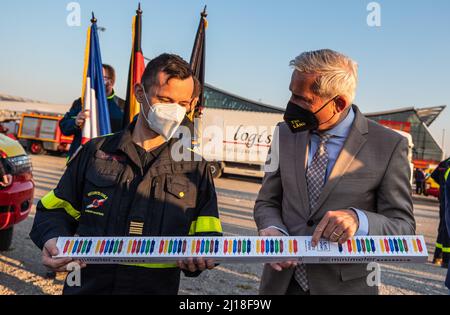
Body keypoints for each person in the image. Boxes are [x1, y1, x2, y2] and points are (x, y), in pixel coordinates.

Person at [30, 54, 222, 295]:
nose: (174, 111)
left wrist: (200, 259)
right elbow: (54, 210)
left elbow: (208, 235)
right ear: (140, 93)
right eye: (164, 99)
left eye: (183, 104)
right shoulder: (96, 152)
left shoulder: (195, 168)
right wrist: (52, 239)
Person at [254, 49, 415, 295]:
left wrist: (358, 220)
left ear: (338, 103)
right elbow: (267, 201)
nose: (291, 106)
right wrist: (274, 229)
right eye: (292, 94)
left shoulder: (388, 146)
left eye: (303, 99)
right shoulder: (283, 134)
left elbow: (403, 228)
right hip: (281, 285)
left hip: (344, 288)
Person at [60, 64, 125, 158]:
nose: (95, 80)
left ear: (111, 82)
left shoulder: (122, 106)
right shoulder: (81, 102)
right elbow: (64, 127)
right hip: (79, 160)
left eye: (100, 77)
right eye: (94, 77)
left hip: (106, 164)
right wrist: (75, 122)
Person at [431, 158, 450, 268]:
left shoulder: (445, 163)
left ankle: (438, 256)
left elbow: (433, 175)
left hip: (444, 200)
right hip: (447, 200)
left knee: (443, 228)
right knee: (446, 230)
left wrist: (443, 187)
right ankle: (446, 260)